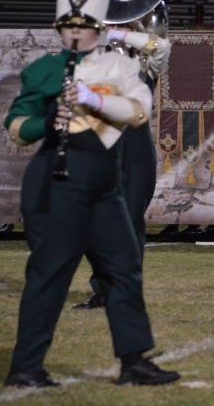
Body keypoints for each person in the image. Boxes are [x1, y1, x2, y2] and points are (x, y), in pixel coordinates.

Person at [3, 0, 178, 388]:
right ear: (59, 27)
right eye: (69, 25)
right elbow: (17, 127)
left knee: (124, 270)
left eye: (86, 25)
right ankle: (26, 367)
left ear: (99, 26)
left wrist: (92, 96)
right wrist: (46, 122)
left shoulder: (120, 69)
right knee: (49, 273)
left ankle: (134, 361)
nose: (77, 33)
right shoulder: (43, 70)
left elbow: (139, 108)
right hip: (61, 181)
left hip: (107, 187)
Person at [74, 16, 171, 310]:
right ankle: (103, 290)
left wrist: (119, 33)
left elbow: (161, 46)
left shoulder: (147, 65)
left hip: (136, 154)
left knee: (130, 223)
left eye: (128, 27)